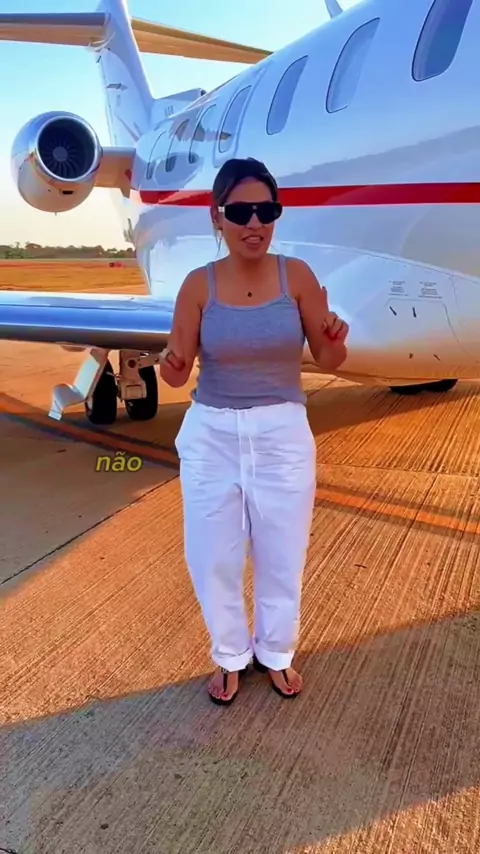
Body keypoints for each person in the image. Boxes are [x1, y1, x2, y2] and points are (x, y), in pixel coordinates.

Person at [159, 157, 349, 706]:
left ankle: (277, 653)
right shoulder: (198, 286)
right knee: (212, 556)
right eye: (240, 211)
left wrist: (335, 338)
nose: (254, 223)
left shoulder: (298, 277)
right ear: (217, 216)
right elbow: (177, 372)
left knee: (282, 554)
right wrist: (171, 363)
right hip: (212, 434)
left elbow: (330, 359)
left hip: (282, 434)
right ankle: (229, 654)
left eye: (266, 211)